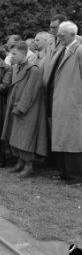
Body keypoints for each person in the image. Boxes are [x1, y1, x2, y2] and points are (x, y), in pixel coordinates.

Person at [1, 41, 47, 178]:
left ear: (24, 53)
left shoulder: (34, 69)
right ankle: (20, 162)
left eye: (14, 54)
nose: (11, 56)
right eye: (11, 53)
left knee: (26, 138)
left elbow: (30, 92)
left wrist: (21, 108)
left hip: (28, 110)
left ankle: (29, 165)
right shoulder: (15, 68)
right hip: (14, 106)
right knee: (15, 136)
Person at [46, 21, 82, 182]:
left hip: (72, 103)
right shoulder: (62, 50)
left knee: (72, 139)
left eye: (62, 35)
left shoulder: (79, 51)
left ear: (73, 35)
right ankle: (64, 173)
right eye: (58, 34)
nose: (59, 37)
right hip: (60, 102)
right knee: (62, 138)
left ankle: (75, 176)